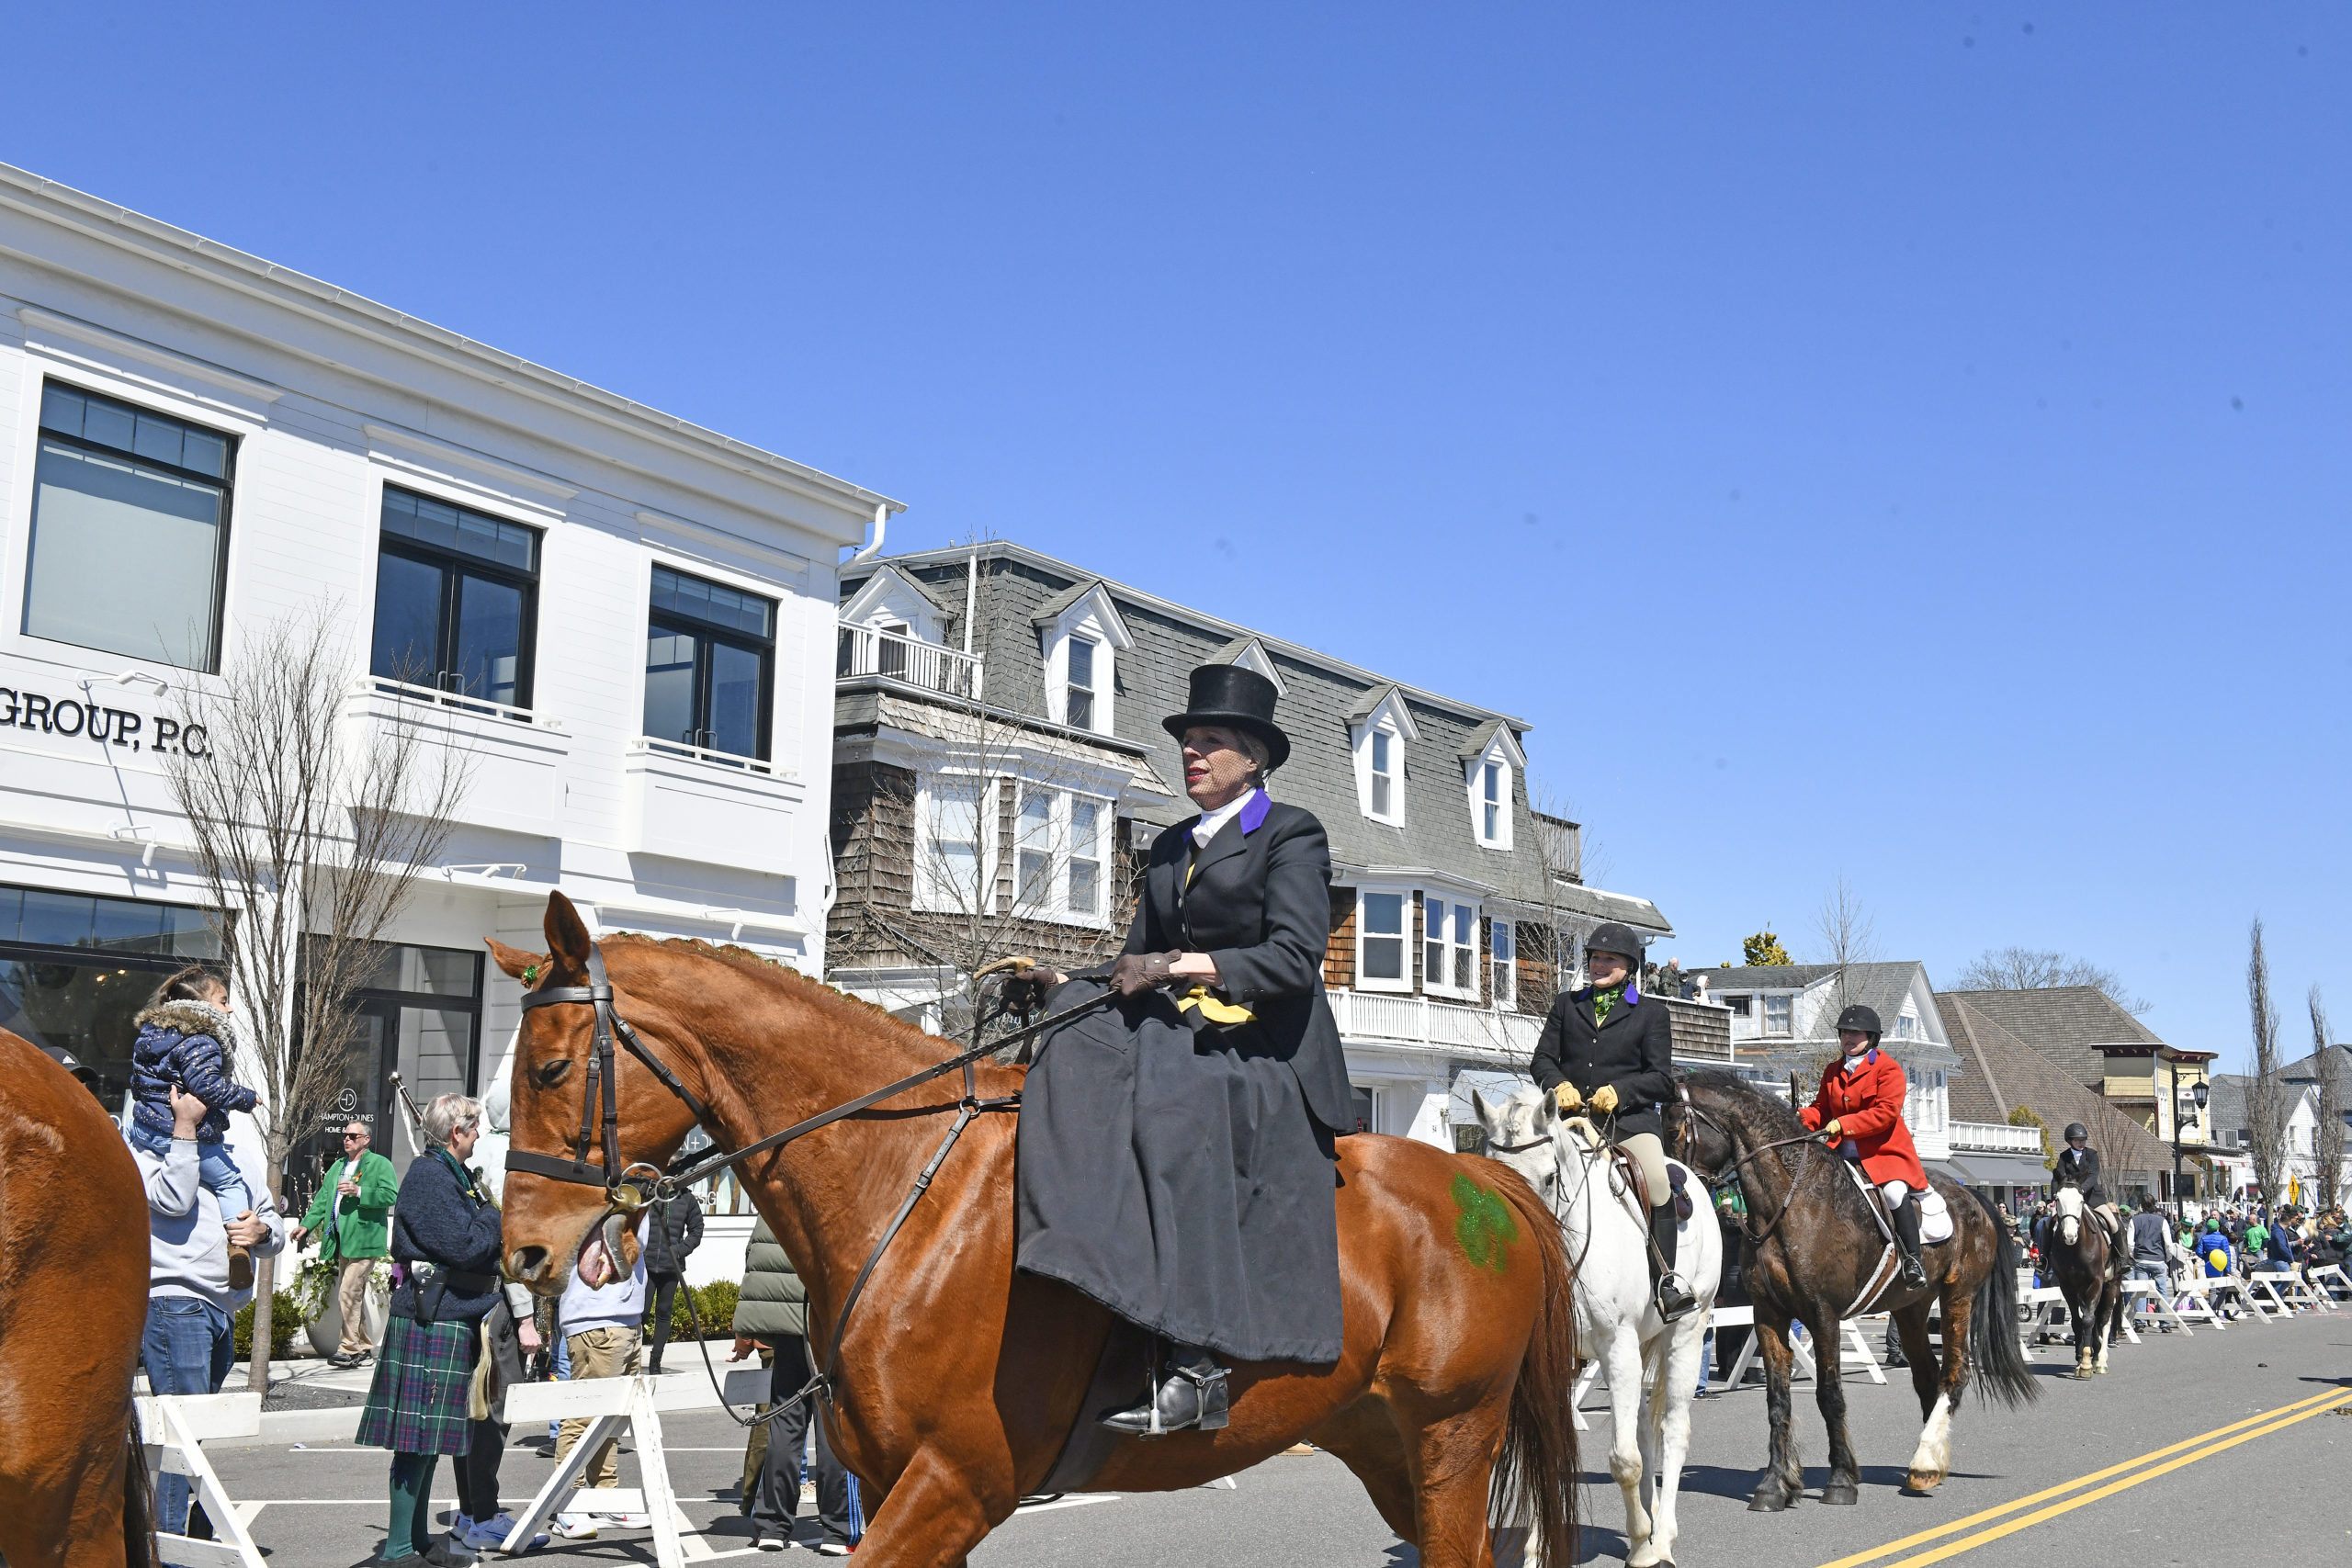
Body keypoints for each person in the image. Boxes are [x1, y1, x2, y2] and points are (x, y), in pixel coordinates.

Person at [1012, 663, 1352, 1435]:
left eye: (1210, 740)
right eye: (1188, 741)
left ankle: (1198, 1366)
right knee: (1073, 1023)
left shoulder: (1291, 832)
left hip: (1268, 1044)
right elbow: (1135, 957)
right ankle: (1083, 1271)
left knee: (1174, 1107)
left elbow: (1296, 959)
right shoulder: (1169, 846)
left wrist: (1177, 966)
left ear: (1253, 758)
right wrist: (1063, 977)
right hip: (1188, 1031)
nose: (1192, 753)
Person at [356, 1095, 505, 1566]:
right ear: (455, 1132)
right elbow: (465, 1245)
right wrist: (495, 1216)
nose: (479, 1134)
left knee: (428, 1442)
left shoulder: (451, 1176)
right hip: (430, 1319)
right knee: (416, 1441)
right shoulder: (429, 1176)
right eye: (475, 1126)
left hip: (442, 1316)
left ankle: (418, 1542)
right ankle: (399, 1550)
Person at [132, 1081, 286, 1540]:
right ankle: (175, 1546)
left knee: (189, 1436)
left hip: (221, 1307)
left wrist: (262, 1232)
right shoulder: (144, 1144)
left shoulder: (236, 1151)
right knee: (183, 1433)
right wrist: (183, 1129)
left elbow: (270, 1217)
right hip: (173, 1300)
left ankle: (178, 1535)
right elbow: (172, 1201)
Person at [1530, 921, 1693, 1317]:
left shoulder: (1651, 1014)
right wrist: (1558, 1084)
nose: (1600, 965)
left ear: (1630, 966)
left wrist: (1620, 1093)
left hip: (1629, 1123)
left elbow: (1660, 1078)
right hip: (1569, 1121)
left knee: (1656, 1184)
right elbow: (1542, 1060)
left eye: (1611, 959)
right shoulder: (1566, 1005)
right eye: (1596, 958)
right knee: (1527, 1170)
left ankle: (1666, 1281)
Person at [128, 967, 263, 1291]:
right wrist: (245, 1097)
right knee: (231, 1181)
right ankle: (239, 1245)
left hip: (146, 1129)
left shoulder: (152, 1036)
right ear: (200, 1004)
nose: (229, 1009)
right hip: (184, 1134)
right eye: (223, 1000)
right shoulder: (202, 1039)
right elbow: (207, 1087)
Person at [729, 1217, 853, 1553]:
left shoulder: (769, 1202)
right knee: (832, 1426)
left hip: (784, 1324)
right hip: (826, 1320)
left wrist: (747, 1327)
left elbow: (754, 1258)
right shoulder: (825, 1187)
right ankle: (838, 1531)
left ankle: (773, 1526)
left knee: (784, 1424)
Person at [1795, 1005, 1932, 1290]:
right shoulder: (1833, 1070)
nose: (1848, 1038)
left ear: (1871, 1037)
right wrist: (1799, 1117)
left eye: (1855, 1033)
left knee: (1894, 1194)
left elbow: (1885, 1113)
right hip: (1841, 1155)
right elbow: (1821, 1109)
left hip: (1883, 1155)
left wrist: (1843, 1125)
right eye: (1845, 1032)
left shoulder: (1888, 1068)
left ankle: (1912, 1260)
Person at [552, 1216, 655, 1540]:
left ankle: (603, 1496)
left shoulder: (636, 1189)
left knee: (611, 1418)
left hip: (623, 1316)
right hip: (596, 1318)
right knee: (583, 1416)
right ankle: (567, 1504)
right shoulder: (596, 1189)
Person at [292, 1120, 399, 1369]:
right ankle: (363, 1347)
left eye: (353, 1135)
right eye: (345, 1135)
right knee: (352, 1294)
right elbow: (323, 1199)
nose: (347, 1139)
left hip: (365, 1240)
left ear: (366, 1140)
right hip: (342, 1240)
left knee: (349, 1292)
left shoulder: (380, 1164)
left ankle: (349, 1349)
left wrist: (360, 1191)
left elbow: (391, 1195)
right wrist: (306, 1225)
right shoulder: (338, 1166)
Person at [642, 1188, 705, 1376]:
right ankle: (633, 1357)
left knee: (664, 1312)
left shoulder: (686, 1198)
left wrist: (679, 1250)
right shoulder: (650, 1193)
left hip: (671, 1266)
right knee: (641, 1311)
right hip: (646, 1263)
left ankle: (656, 1360)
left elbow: (697, 1229)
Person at [2052, 1124, 2120, 1243]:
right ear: (2069, 1141)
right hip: (2070, 1201)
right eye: (2077, 1140)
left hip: (2092, 1197)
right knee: (2048, 1224)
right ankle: (2044, 1256)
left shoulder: (2092, 1155)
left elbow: (2093, 1176)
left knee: (2114, 1224)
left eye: (2083, 1140)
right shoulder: (2064, 1157)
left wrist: (2081, 1190)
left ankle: (2120, 1256)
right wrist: (2054, 1195)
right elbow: (2057, 1177)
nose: (2081, 1143)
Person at [2125, 1193, 2172, 1332]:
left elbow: (2130, 1243)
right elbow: (2168, 1243)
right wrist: (2167, 1258)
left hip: (2141, 1258)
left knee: (2141, 1291)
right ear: (2154, 1204)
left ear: (2141, 1205)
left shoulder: (2135, 1220)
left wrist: (2134, 1256)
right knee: (2161, 1290)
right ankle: (2165, 1322)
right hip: (2158, 1258)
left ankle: (2140, 1321)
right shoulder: (2162, 1220)